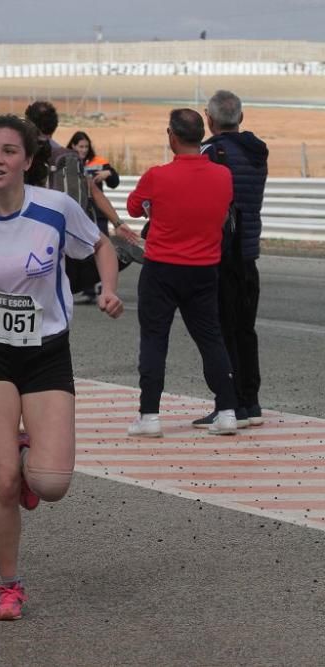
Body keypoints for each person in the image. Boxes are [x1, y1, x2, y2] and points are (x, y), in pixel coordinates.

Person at [0, 114, 123, 622]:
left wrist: (110, 287)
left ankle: (33, 454)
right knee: (2, 479)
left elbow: (100, 245)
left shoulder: (54, 207)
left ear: (28, 161)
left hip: (47, 351)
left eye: (9, 151)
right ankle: (9, 584)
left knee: (51, 484)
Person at [125, 109, 238, 437]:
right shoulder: (222, 176)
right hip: (204, 268)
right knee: (211, 339)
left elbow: (134, 207)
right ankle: (228, 410)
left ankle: (149, 416)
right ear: (200, 136)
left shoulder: (157, 176)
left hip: (162, 268)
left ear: (172, 136)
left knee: (154, 339)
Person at [192, 90, 269, 428]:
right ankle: (250, 402)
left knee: (222, 330)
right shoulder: (257, 152)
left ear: (209, 119)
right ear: (241, 117)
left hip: (220, 253)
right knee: (244, 329)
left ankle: (230, 403)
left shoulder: (210, 152)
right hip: (248, 252)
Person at [24, 103, 140, 303]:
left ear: (28, 122)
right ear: (54, 125)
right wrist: (118, 224)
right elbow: (93, 191)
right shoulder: (65, 155)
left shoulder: (20, 151)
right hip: (62, 231)